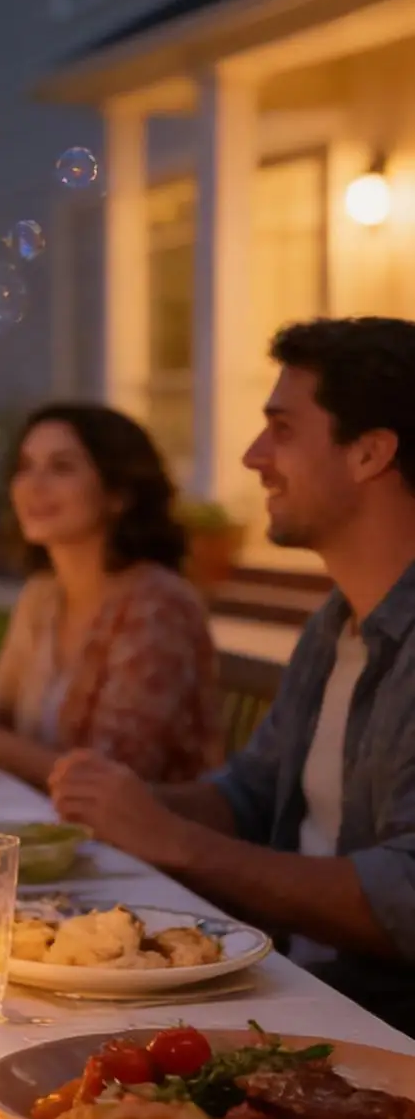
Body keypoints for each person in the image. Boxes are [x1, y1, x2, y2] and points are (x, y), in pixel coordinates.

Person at [52, 318, 415, 1011]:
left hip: (372, 1028)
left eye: (280, 429)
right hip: (288, 984)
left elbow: (403, 896)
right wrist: (121, 802)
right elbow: (248, 795)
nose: (252, 456)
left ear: (368, 453)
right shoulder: (334, 623)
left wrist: (176, 841)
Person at [0, 403, 218, 788]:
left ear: (119, 494)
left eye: (61, 467)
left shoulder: (159, 606)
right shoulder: (42, 596)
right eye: (25, 467)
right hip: (50, 825)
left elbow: (119, 778)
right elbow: (1, 712)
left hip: (141, 844)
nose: (33, 487)